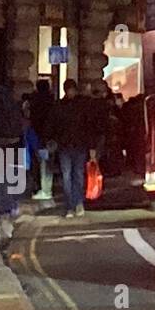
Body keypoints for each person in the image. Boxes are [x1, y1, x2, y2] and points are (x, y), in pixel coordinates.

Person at [53, 80, 93, 218]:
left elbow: (88, 127)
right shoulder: (62, 106)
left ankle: (77, 203)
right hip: (67, 146)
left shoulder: (76, 106)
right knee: (68, 177)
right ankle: (71, 205)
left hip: (77, 145)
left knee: (76, 175)